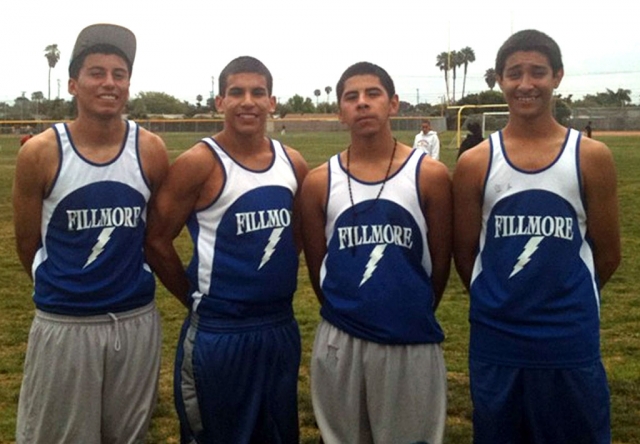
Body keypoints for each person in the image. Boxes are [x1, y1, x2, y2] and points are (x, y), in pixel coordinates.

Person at [453, 29, 620, 444]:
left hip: (568, 339)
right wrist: (502, 300)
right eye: (514, 73)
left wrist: (563, 294)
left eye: (538, 72)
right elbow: (465, 253)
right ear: (499, 79)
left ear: (558, 76)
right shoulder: (476, 161)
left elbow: (609, 252)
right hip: (497, 339)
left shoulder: (590, 156)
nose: (526, 84)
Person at [12, 23, 169, 443]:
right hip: (66, 323)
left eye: (119, 74)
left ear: (128, 85)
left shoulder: (150, 148)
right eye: (96, 73)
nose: (109, 83)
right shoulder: (42, 152)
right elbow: (27, 244)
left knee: (128, 436)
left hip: (135, 319)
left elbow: (155, 234)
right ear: (73, 84)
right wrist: (68, 290)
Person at [145, 56, 308, 443]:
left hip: (278, 327)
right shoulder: (199, 163)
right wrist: (193, 296)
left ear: (272, 101)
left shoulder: (293, 163)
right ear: (220, 102)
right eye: (236, 92)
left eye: (258, 92)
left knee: (278, 434)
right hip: (219, 333)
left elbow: (296, 235)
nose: (247, 101)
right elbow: (155, 238)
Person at [300, 61, 452, 444]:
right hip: (340, 338)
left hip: (410, 338)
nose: (362, 103)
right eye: (351, 97)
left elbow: (440, 266)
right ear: (340, 112)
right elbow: (319, 266)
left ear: (393, 104)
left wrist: (407, 306)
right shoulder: (320, 181)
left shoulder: (429, 175)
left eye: (373, 94)